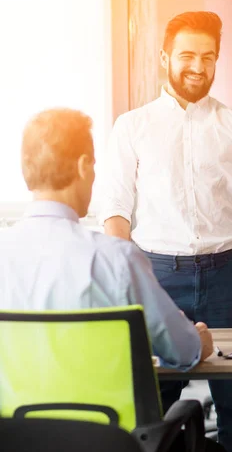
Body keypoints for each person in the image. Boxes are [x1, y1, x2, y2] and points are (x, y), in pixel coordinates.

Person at [101, 11, 232, 452]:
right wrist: (129, 280)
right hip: (158, 277)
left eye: (209, 56)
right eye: (188, 55)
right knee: (155, 404)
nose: (198, 66)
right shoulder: (132, 126)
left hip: (226, 277)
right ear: (165, 58)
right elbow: (114, 211)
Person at [0, 108, 213, 372]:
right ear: (83, 166)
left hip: (14, 412)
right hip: (103, 413)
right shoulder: (116, 259)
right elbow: (181, 350)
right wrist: (198, 342)